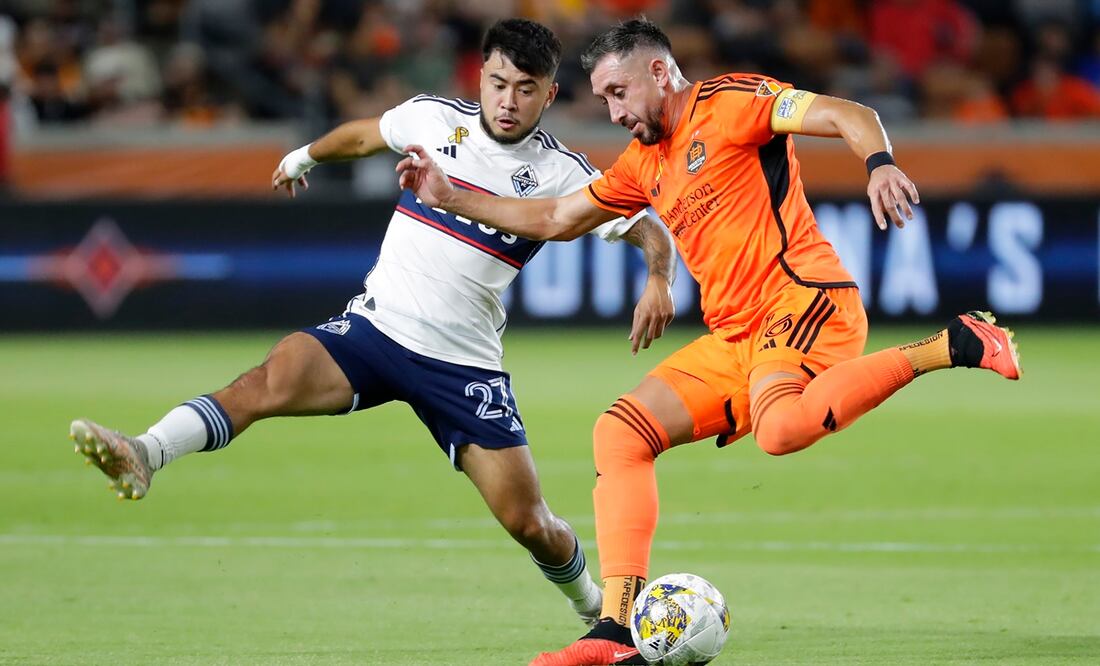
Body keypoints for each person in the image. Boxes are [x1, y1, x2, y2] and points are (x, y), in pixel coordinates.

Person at [395, 18, 1022, 666]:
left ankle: (952, 343)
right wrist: (452, 197)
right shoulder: (643, 162)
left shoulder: (732, 103)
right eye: (604, 99)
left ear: (658, 72)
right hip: (736, 336)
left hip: (802, 300)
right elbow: (557, 216)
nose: (613, 113)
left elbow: (847, 113)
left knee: (780, 430)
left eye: (618, 93)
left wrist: (879, 163)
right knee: (620, 433)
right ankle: (615, 630)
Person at [67, 18, 677, 631]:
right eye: (498, 83)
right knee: (269, 379)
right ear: (480, 78)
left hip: (463, 366)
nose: (508, 101)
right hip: (375, 332)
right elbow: (365, 135)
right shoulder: (433, 119)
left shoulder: (562, 173)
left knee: (529, 522)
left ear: (549, 94)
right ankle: (145, 452)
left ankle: (592, 605)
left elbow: (646, 227)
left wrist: (658, 277)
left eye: (525, 88)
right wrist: (303, 155)